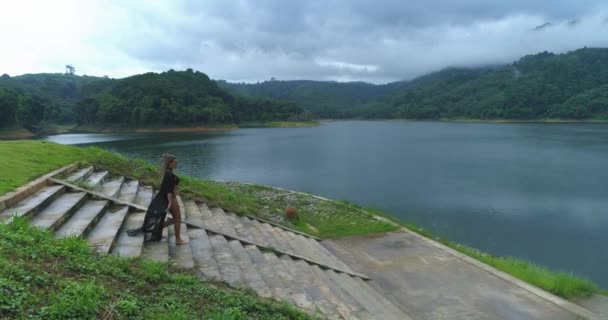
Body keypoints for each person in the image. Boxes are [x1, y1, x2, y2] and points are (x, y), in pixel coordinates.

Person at [127, 153, 187, 244]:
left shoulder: (169, 172)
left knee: (176, 218)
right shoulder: (168, 174)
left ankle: (157, 230)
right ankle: (178, 239)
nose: (176, 163)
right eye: (175, 162)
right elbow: (168, 189)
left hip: (168, 197)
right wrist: (170, 201)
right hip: (169, 198)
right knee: (177, 218)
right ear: (170, 163)